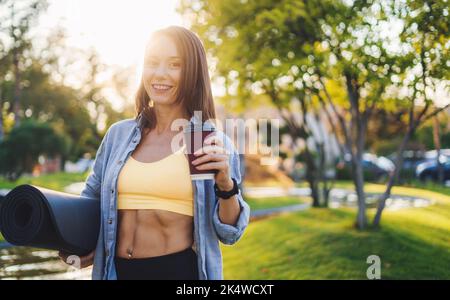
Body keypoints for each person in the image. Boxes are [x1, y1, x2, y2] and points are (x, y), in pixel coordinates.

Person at [58, 25, 250, 280]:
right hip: (115, 272)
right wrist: (71, 241)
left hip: (178, 272)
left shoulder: (208, 141)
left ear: (192, 72)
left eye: (174, 65)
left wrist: (226, 184)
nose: (160, 74)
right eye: (152, 63)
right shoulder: (119, 135)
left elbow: (229, 233)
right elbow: (90, 201)